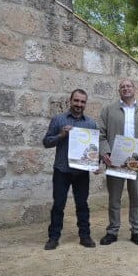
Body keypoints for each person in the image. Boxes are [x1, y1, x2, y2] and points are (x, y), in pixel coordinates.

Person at [98, 79, 138, 246]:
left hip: (136, 160)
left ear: (134, 89)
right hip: (115, 159)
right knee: (114, 198)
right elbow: (101, 133)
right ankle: (112, 231)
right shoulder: (109, 110)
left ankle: (137, 231)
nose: (126, 88)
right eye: (122, 86)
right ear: (119, 91)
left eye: (128, 86)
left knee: (136, 197)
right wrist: (105, 152)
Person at [42, 89, 97, 250]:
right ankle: (53, 238)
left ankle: (85, 236)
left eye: (82, 102)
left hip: (82, 172)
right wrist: (61, 135)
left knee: (82, 205)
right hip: (62, 170)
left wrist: (95, 164)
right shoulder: (58, 120)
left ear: (85, 103)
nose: (79, 104)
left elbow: (93, 148)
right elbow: (46, 142)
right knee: (58, 205)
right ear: (70, 101)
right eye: (76, 101)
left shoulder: (91, 123)